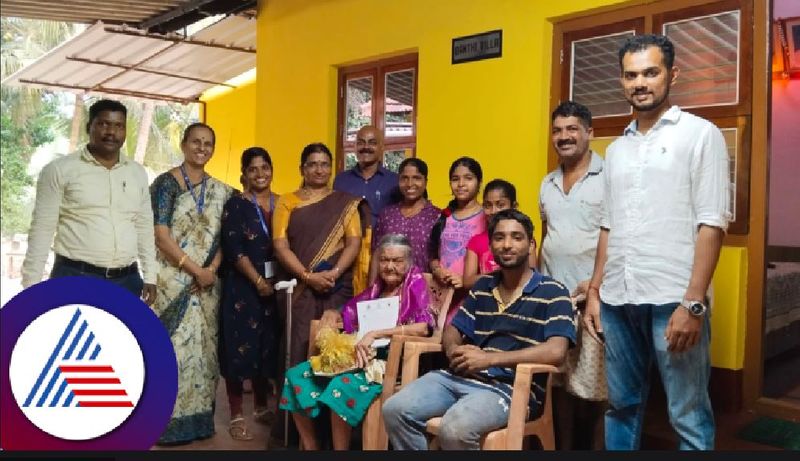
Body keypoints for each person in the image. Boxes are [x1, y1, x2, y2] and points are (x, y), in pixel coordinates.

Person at [583, 34, 731, 450]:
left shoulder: (701, 135)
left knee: (687, 414)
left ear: (672, 74)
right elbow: (608, 226)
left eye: (651, 72)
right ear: (621, 81)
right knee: (622, 407)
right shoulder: (615, 150)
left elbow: (712, 224)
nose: (640, 83)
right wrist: (595, 291)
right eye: (631, 75)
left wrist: (694, 303)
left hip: (674, 299)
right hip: (617, 299)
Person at [382, 209, 576, 450]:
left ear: (531, 245)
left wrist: (488, 359)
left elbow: (557, 351)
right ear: (491, 246)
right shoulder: (484, 285)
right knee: (394, 409)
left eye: (516, 237)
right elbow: (453, 328)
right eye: (499, 237)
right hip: (461, 377)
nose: (507, 244)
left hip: (512, 389)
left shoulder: (553, 291)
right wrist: (454, 351)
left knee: (455, 428)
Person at [279, 234, 435, 450]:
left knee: (340, 386)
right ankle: (310, 446)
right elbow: (351, 311)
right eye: (384, 260)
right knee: (296, 376)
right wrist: (333, 313)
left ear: (408, 263)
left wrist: (377, 333)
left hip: (388, 366)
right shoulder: (376, 290)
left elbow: (424, 327)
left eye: (397, 261)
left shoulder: (415, 285)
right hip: (357, 358)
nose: (389, 266)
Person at [22, 99, 157, 304]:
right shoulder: (60, 170)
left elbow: (144, 226)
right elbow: (42, 230)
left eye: (119, 126)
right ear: (89, 127)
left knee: (119, 337)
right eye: (103, 124)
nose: (111, 132)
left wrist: (150, 276)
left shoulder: (136, 172)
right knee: (72, 336)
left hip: (128, 281)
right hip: (76, 277)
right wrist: (31, 288)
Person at [150, 122, 234, 444]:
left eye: (208, 143)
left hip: (208, 284)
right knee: (171, 353)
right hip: (171, 282)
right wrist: (193, 269)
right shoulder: (164, 185)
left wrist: (210, 268)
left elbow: (227, 236)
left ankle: (200, 423)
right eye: (196, 142)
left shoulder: (223, 192)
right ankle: (163, 424)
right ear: (184, 144)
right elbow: (160, 235)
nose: (202, 148)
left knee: (204, 354)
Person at [539, 100, 606, 450]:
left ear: (589, 133)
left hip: (594, 296)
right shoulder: (547, 183)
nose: (563, 137)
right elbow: (546, 234)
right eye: (557, 130)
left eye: (571, 129)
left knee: (597, 385)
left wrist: (598, 284)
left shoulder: (608, 177)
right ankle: (562, 446)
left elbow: (619, 236)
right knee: (558, 381)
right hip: (553, 296)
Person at [272, 142, 365, 368]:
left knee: (333, 345)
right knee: (297, 342)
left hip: (335, 285)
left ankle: (330, 402)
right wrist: (307, 276)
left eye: (324, 164)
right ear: (302, 169)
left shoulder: (346, 203)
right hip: (299, 286)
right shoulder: (287, 201)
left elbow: (354, 242)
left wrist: (333, 273)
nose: (319, 170)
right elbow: (280, 245)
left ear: (331, 168)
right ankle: (295, 401)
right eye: (312, 164)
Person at [219, 147, 281, 441]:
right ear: (244, 174)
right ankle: (236, 414)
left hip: (276, 289)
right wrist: (257, 280)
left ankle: (260, 407)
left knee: (266, 347)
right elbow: (234, 249)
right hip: (243, 287)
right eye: (253, 169)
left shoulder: (283, 204)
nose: (260, 174)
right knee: (238, 349)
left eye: (265, 167)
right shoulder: (236, 205)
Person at [428, 156, 485, 324]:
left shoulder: (486, 217)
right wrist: (438, 271)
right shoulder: (444, 217)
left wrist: (466, 280)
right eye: (455, 179)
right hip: (443, 294)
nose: (461, 184)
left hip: (473, 296)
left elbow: (493, 262)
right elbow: (432, 255)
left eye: (468, 178)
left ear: (479, 182)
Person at [369, 158, 440, 283]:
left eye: (416, 178)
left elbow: (440, 257)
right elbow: (377, 254)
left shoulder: (436, 216)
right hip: (388, 290)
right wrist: (371, 291)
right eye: (404, 178)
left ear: (425, 181)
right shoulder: (387, 215)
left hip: (423, 290)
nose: (409, 183)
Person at [462, 179, 537, 290]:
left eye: (500, 205)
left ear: (514, 206)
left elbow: (531, 273)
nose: (493, 211)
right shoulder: (476, 241)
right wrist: (503, 273)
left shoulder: (523, 239)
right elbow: (468, 281)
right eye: (488, 205)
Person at [333, 125, 399, 222]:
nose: (366, 147)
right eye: (361, 143)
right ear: (354, 147)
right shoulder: (341, 181)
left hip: (382, 237)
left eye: (372, 143)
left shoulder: (394, 181)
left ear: (382, 147)